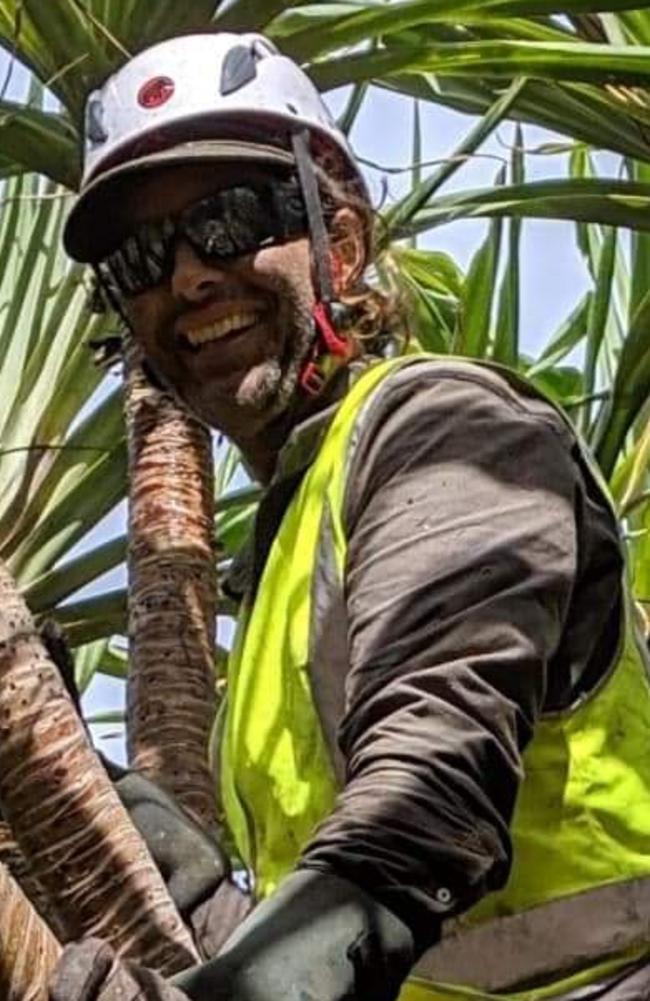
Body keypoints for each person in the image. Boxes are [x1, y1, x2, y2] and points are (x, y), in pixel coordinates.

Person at [52, 30, 650, 1001]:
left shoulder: (448, 428)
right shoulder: (289, 556)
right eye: (143, 258)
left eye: (233, 216)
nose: (190, 276)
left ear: (340, 241)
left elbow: (423, 810)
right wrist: (114, 819)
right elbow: (333, 934)